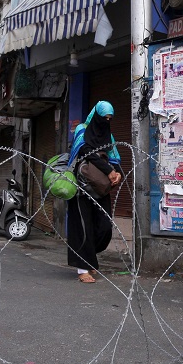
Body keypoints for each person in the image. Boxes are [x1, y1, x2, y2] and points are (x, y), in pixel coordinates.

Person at [66, 101, 122, 283]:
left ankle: (90, 256)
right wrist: (108, 170)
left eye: (109, 119)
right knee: (84, 227)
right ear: (95, 116)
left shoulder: (109, 136)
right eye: (103, 118)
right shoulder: (82, 130)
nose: (105, 121)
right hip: (81, 188)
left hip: (101, 189)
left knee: (104, 227)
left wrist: (118, 174)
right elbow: (85, 152)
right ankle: (83, 268)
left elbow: (115, 159)